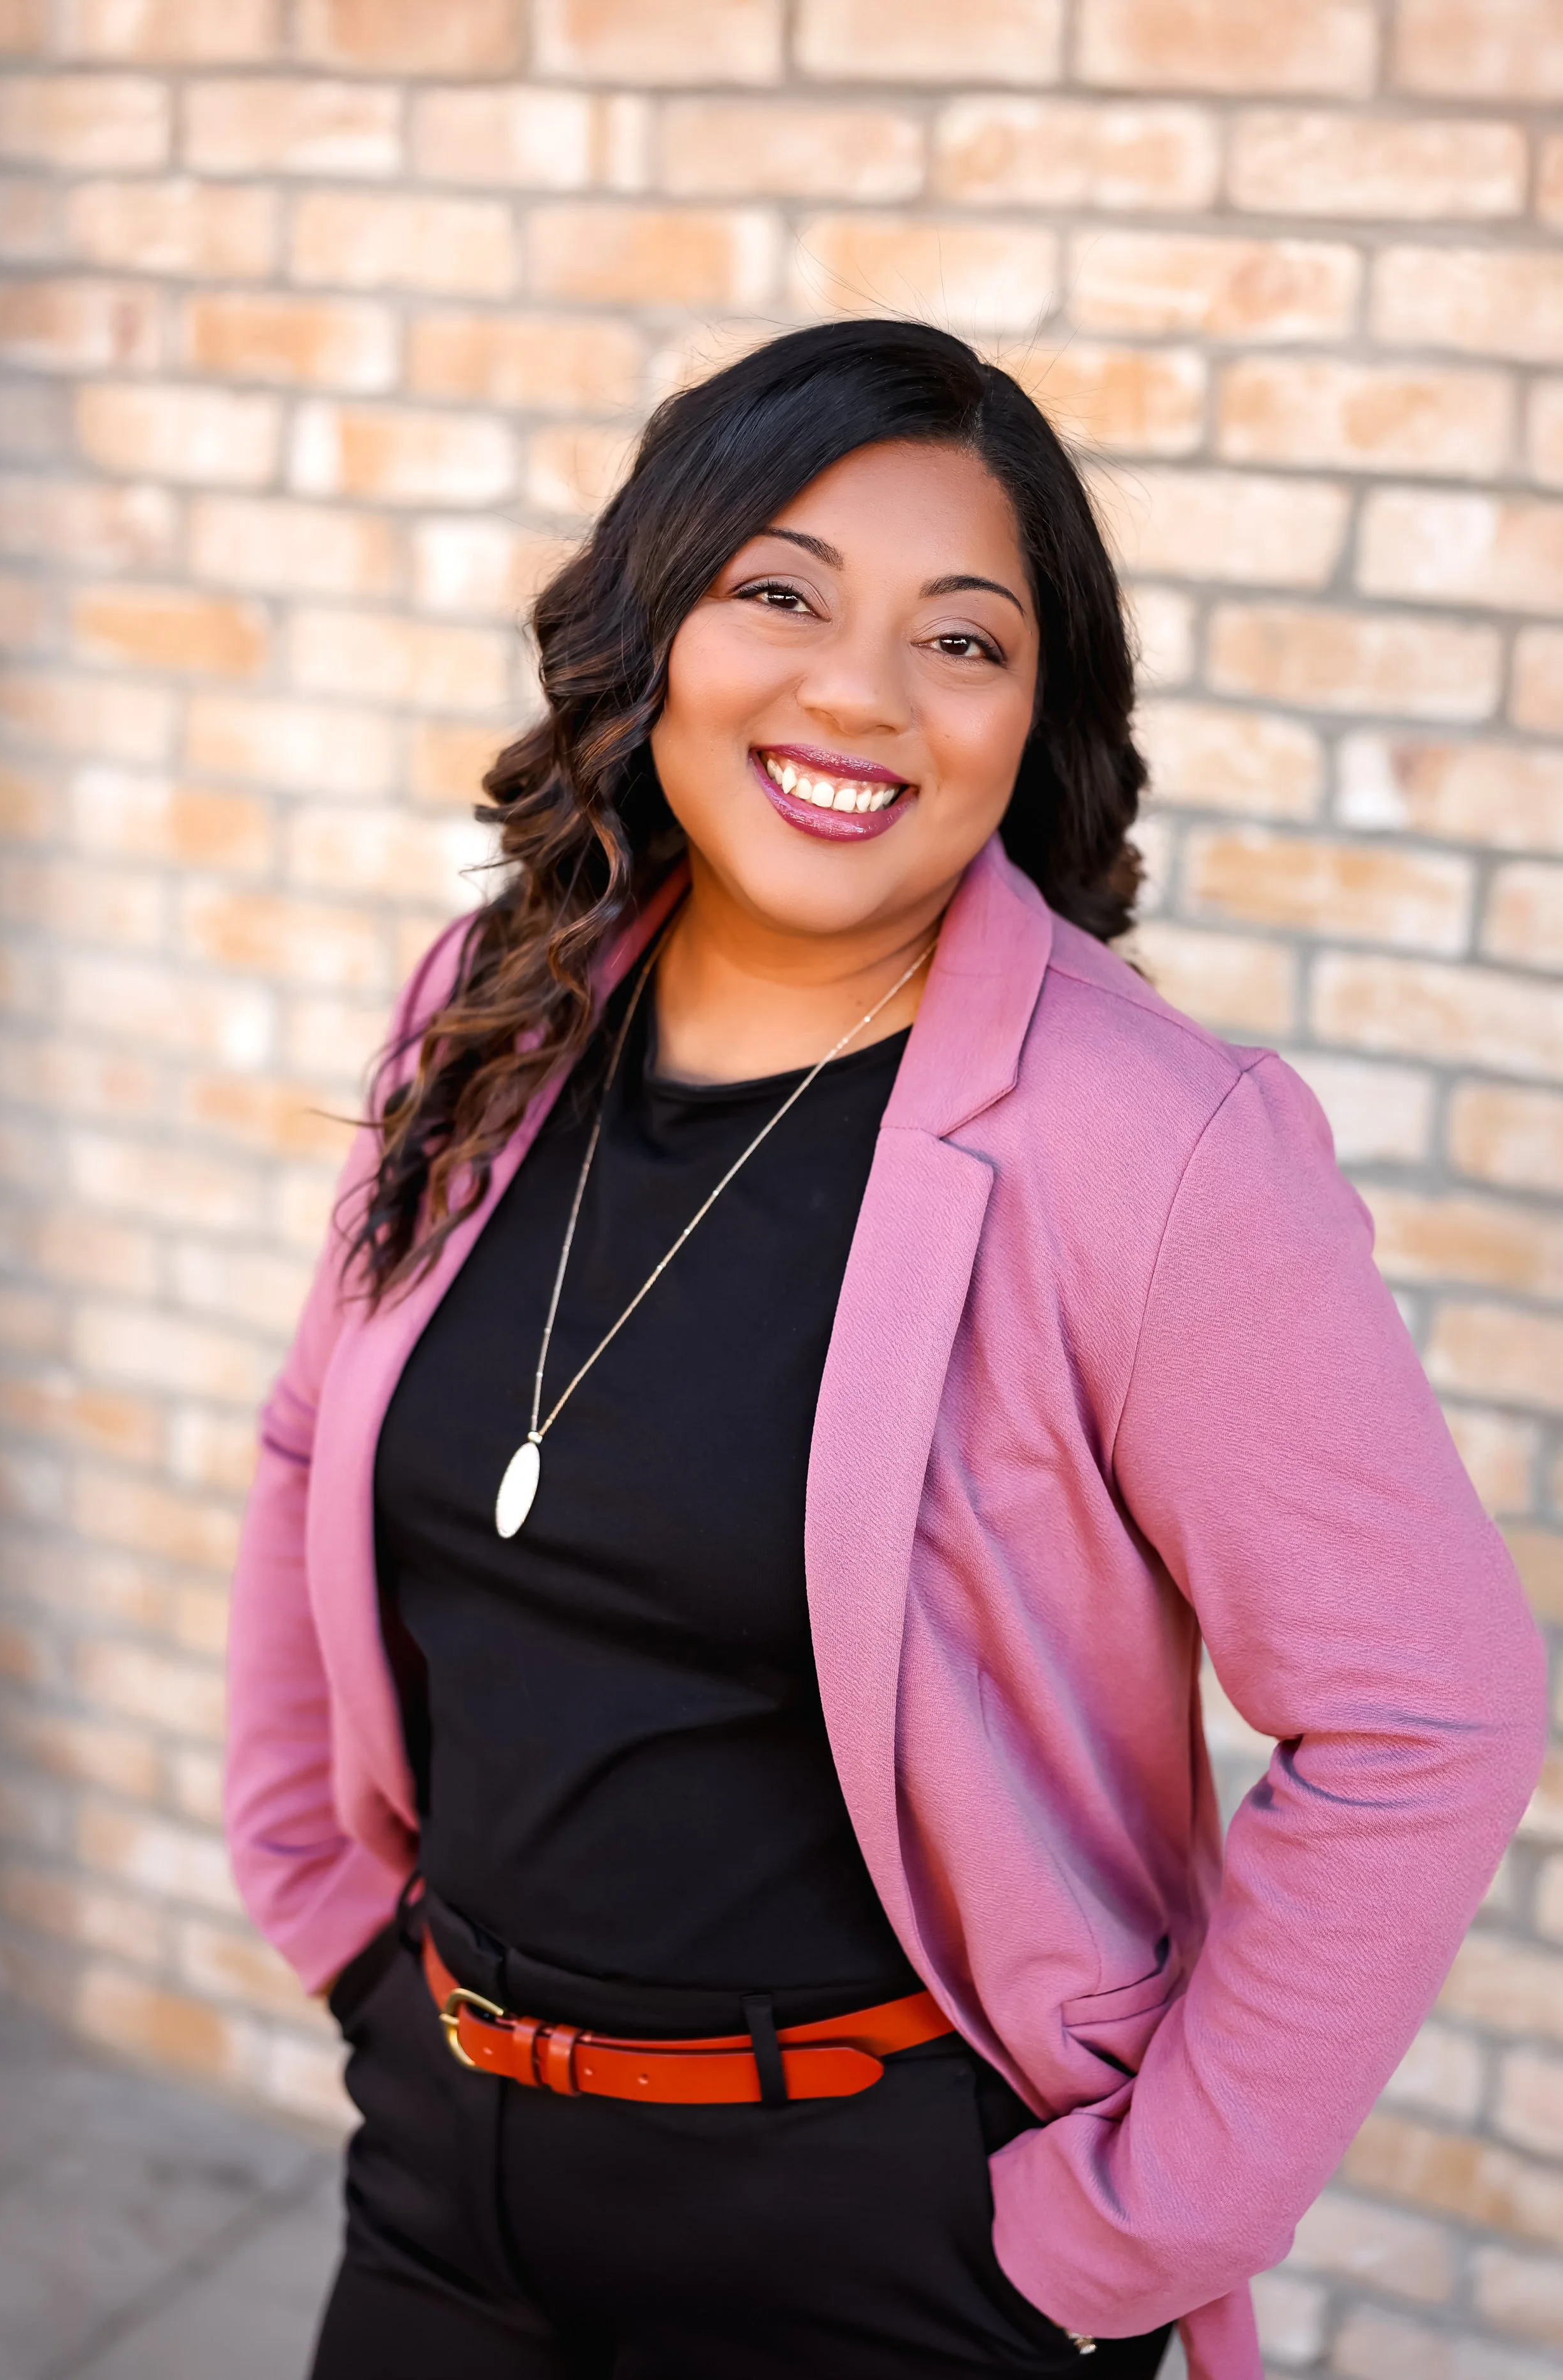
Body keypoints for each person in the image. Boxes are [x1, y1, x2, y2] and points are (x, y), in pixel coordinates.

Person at [225, 320, 1545, 2380]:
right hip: (444, 2168)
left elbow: (1421, 1715)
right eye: (778, 593)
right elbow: (319, 1437)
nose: (858, 691)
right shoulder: (490, 1000)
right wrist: (320, 1898)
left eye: (962, 638)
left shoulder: (1152, 1145)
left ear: (1034, 717)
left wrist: (1128, 2226)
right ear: (651, 626)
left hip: (885, 2246)